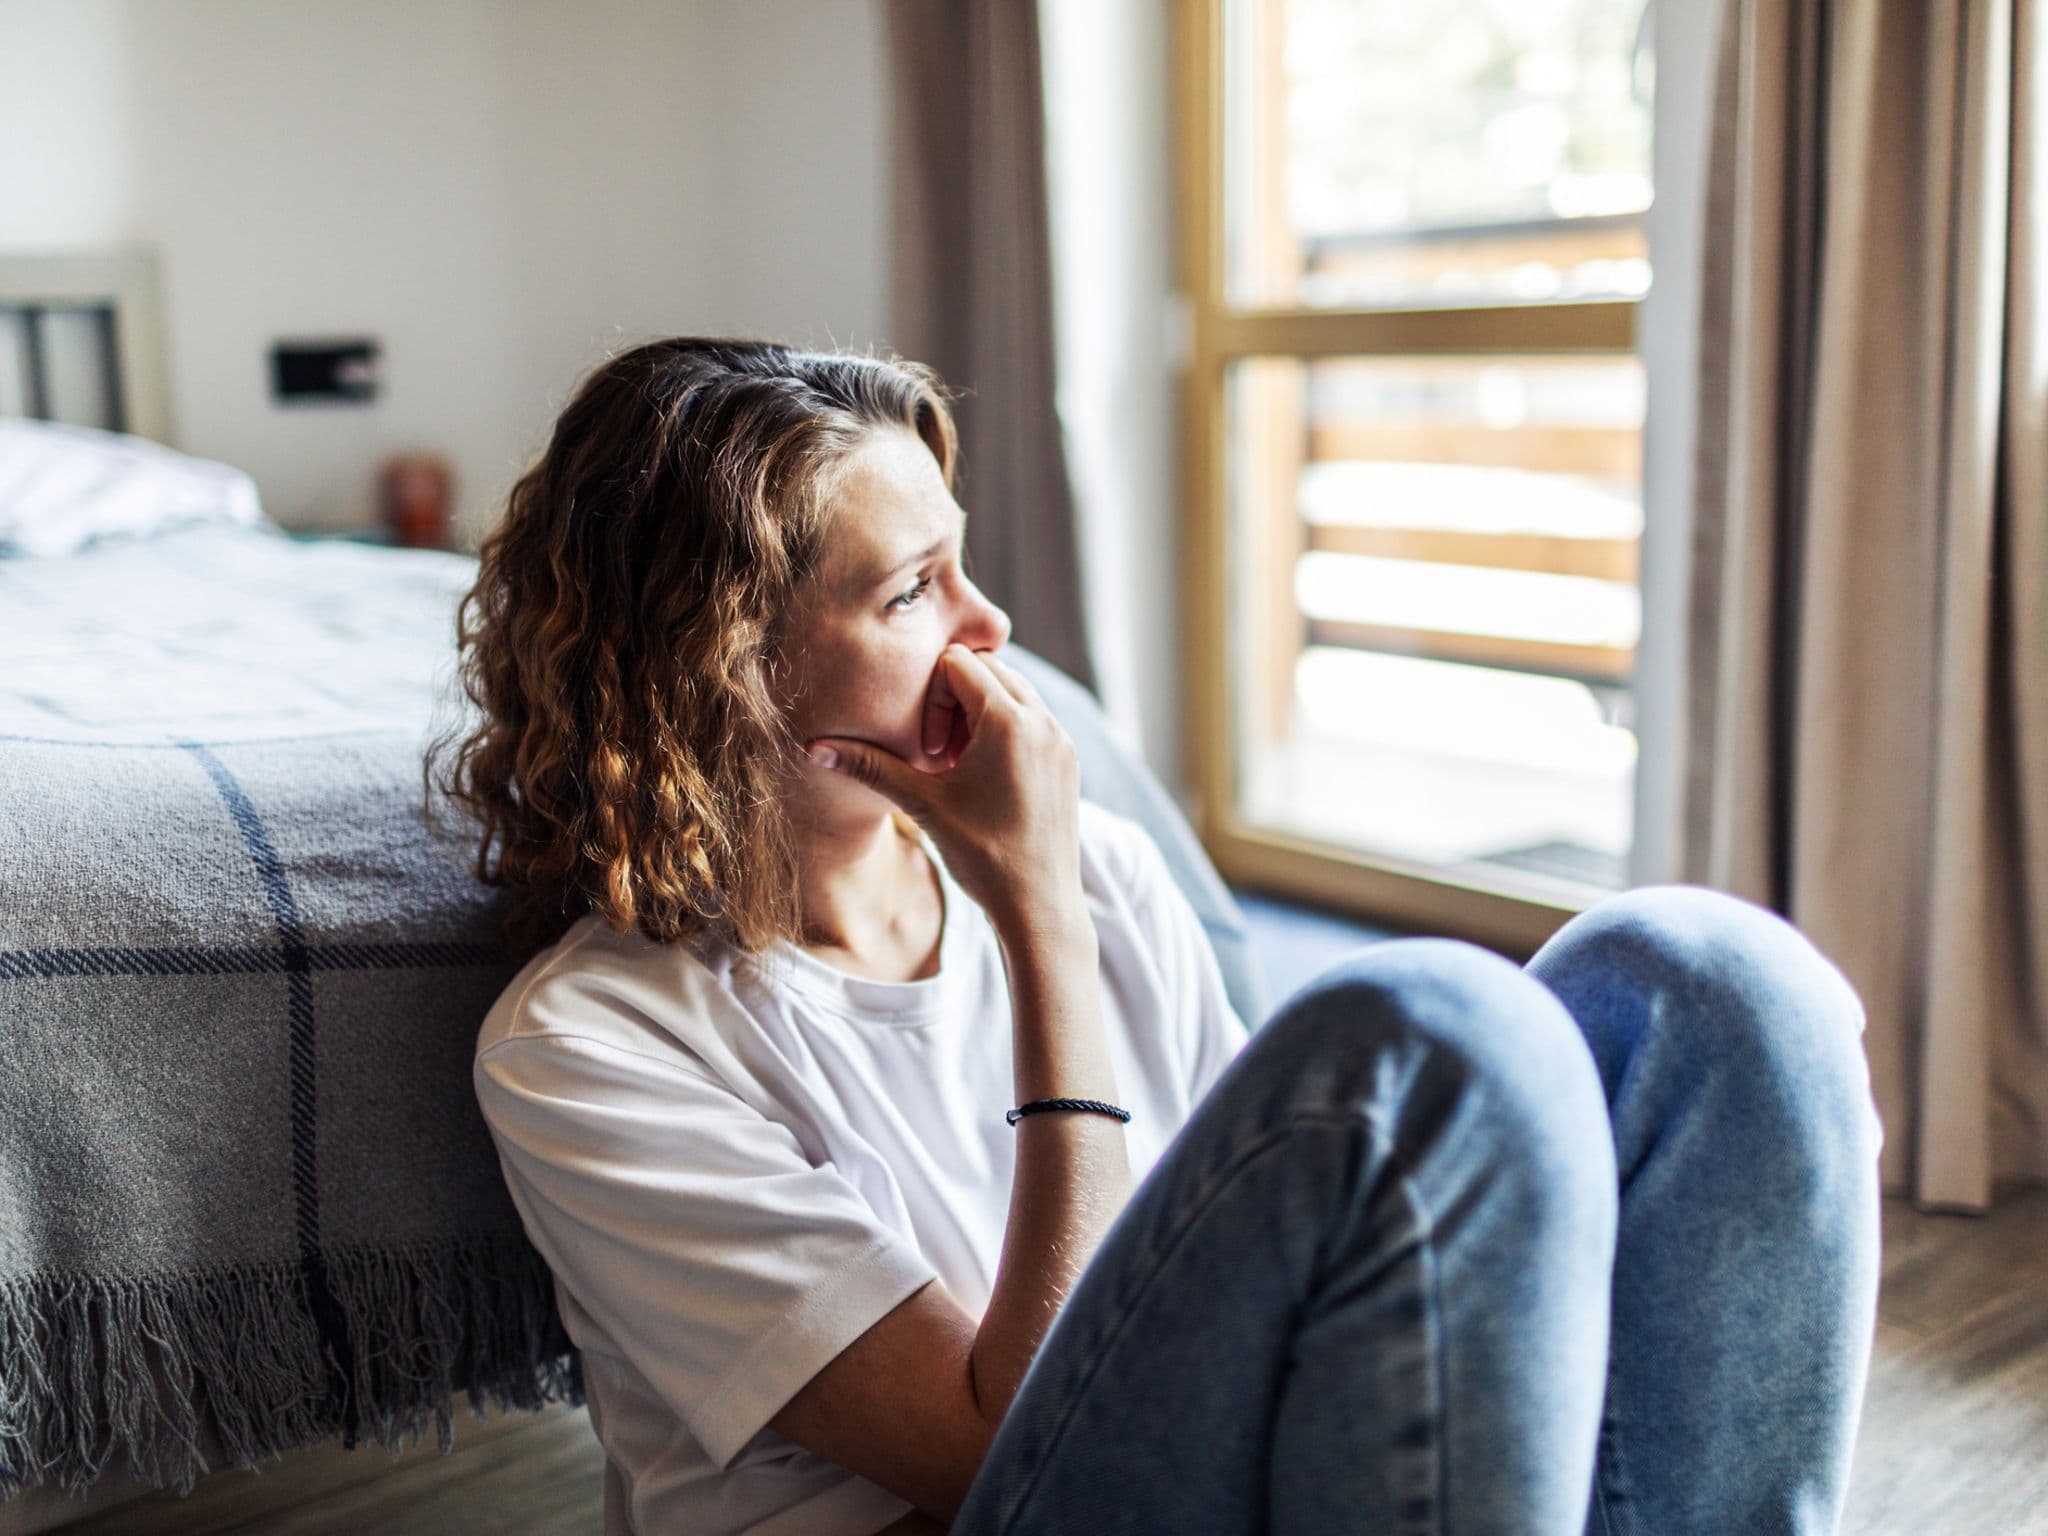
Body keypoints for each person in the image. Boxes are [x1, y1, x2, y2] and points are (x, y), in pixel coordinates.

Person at [430, 337, 1884, 1536]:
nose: (989, 625)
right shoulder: (590, 1046)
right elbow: (986, 1449)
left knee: (1710, 981)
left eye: (964, 562)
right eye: (908, 591)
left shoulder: (1103, 861)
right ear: (724, 673)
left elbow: (1277, 1249)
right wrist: (1041, 920)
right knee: (1441, 1032)